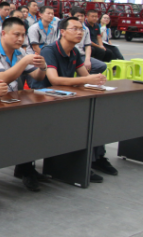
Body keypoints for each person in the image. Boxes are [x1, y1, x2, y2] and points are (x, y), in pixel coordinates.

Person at [29, 17, 115, 183]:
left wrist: (96, 80)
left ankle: (96, 159)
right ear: (62, 32)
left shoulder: (74, 52)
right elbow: (54, 80)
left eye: (81, 29)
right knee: (80, 122)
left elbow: (85, 76)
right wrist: (87, 79)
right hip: (44, 100)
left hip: (65, 99)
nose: (79, 32)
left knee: (95, 116)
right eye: (74, 29)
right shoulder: (49, 50)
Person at [0, 17, 49, 192]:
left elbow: (37, 77)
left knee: (33, 124)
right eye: (16, 34)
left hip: (13, 101)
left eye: (23, 35)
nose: (21, 39)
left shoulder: (19, 52)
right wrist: (25, 61)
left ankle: (25, 168)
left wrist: (43, 67)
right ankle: (24, 169)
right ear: (3, 33)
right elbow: (2, 79)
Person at [71, 8, 107, 74]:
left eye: (82, 16)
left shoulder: (86, 29)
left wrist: (87, 60)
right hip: (69, 56)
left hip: (81, 55)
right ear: (72, 16)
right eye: (77, 16)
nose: (80, 18)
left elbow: (88, 45)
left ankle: (84, 77)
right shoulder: (67, 28)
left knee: (102, 66)